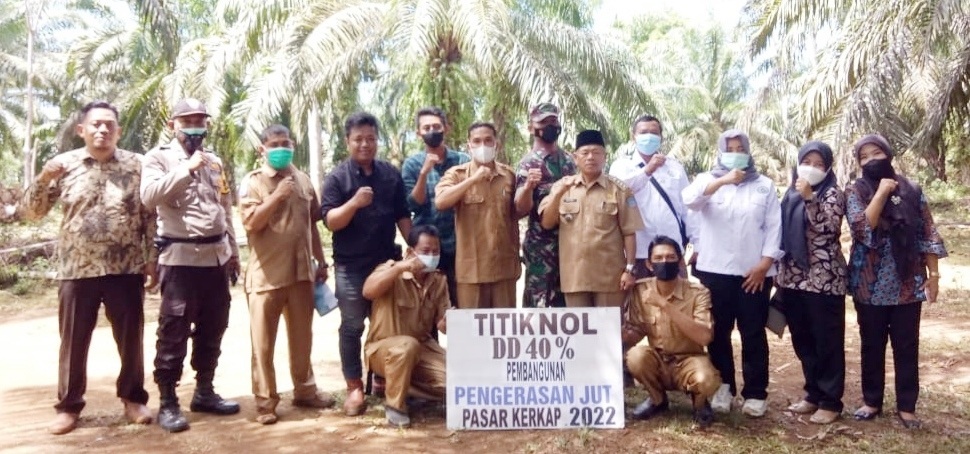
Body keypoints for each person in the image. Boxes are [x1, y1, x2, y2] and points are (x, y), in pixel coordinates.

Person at [22, 101, 155, 435]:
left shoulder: (137, 165)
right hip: (76, 269)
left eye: (109, 125)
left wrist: (152, 257)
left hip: (124, 268)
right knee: (73, 340)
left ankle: (133, 399)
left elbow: (150, 216)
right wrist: (43, 177)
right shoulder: (62, 166)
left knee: (131, 339)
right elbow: (32, 212)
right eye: (95, 124)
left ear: (118, 130)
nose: (102, 130)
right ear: (81, 130)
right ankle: (68, 406)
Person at [141, 98, 241, 433]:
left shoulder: (214, 162)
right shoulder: (158, 158)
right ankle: (168, 402)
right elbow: (149, 195)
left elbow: (224, 206)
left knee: (214, 325)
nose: (195, 126)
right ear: (173, 125)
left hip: (216, 257)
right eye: (187, 121)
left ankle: (205, 391)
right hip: (180, 259)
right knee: (174, 329)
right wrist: (187, 169)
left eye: (200, 121)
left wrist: (234, 251)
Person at [845, 134, 947, 429]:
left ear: (888, 154)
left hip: (908, 283)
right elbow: (863, 229)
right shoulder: (856, 190)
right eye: (863, 157)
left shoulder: (912, 189)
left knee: (906, 345)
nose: (871, 161)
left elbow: (927, 232)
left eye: (876, 153)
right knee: (871, 344)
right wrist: (881, 193)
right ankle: (871, 401)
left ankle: (907, 406)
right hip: (869, 284)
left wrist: (934, 275)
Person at [239, 125, 336, 425]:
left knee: (302, 338)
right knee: (263, 343)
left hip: (301, 274)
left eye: (286, 143)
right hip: (266, 276)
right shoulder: (253, 182)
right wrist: (278, 195)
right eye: (275, 144)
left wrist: (321, 261)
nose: (282, 148)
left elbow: (312, 225)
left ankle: (305, 391)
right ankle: (266, 402)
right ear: (263, 149)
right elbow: (251, 222)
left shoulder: (303, 179)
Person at [682, 129, 782, 418]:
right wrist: (723, 180)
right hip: (714, 272)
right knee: (718, 332)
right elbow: (690, 201)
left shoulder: (764, 185)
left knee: (752, 332)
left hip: (754, 273)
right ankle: (723, 387)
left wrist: (765, 264)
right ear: (720, 151)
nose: (735, 152)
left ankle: (755, 393)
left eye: (741, 147)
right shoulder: (706, 180)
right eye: (730, 148)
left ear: (749, 151)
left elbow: (774, 227)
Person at [321, 112, 412, 416]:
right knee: (352, 326)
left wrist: (416, 248)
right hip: (351, 267)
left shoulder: (390, 174)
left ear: (377, 140)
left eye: (370, 138)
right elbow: (331, 221)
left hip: (386, 262)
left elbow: (402, 216)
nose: (365, 144)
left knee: (386, 324)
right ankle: (355, 388)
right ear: (347, 141)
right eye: (358, 139)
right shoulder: (337, 178)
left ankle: (382, 381)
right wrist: (354, 203)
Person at [776, 141, 847, 425]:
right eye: (808, 162)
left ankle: (831, 401)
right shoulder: (789, 194)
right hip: (793, 277)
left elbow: (828, 227)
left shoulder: (833, 193)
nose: (812, 168)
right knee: (803, 339)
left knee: (827, 340)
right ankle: (813, 393)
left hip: (823, 279)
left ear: (828, 167)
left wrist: (810, 198)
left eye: (819, 164)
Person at [623, 235, 720, 428]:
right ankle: (657, 400)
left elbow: (704, 337)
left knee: (706, 379)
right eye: (658, 259)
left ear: (679, 261)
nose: (664, 262)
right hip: (659, 359)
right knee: (635, 356)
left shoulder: (698, 292)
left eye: (670, 257)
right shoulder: (641, 290)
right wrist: (613, 334)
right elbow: (636, 331)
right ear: (650, 265)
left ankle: (699, 404)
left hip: (690, 360)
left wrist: (664, 305)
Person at [539, 129, 641, 307]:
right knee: (580, 332)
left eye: (596, 152)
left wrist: (630, 269)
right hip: (574, 278)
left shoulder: (619, 190)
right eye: (585, 153)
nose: (590, 157)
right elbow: (547, 223)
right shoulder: (561, 187)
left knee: (610, 331)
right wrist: (559, 194)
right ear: (575, 157)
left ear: (605, 157)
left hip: (610, 278)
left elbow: (629, 232)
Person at [360, 225, 448, 428]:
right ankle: (395, 406)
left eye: (436, 252)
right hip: (383, 349)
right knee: (407, 346)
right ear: (410, 252)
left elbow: (443, 326)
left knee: (457, 382)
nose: (431, 256)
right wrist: (400, 267)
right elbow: (368, 291)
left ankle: (404, 385)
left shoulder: (439, 280)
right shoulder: (391, 270)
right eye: (425, 251)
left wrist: (446, 323)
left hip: (422, 348)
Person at [435, 122, 520, 308]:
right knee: (472, 331)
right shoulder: (456, 174)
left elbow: (519, 212)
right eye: (477, 141)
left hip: (504, 268)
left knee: (503, 330)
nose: (483, 145)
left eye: (488, 140)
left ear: (496, 144)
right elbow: (441, 202)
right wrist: (473, 180)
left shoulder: (509, 175)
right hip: (471, 270)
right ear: (469, 146)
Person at [609, 115, 696, 278]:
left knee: (678, 299)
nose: (649, 136)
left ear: (661, 137)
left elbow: (687, 209)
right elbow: (619, 192)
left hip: (671, 250)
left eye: (654, 132)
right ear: (633, 136)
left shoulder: (675, 167)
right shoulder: (621, 165)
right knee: (638, 301)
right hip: (637, 251)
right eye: (643, 132)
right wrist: (647, 170)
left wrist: (695, 242)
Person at [401, 107, 470, 307]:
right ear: (418, 133)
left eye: (437, 126)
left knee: (460, 305)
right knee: (426, 304)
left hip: (459, 245)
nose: (432, 131)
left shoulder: (462, 161)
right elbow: (413, 204)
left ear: (446, 128)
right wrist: (423, 174)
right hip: (428, 247)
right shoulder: (412, 164)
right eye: (427, 127)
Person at [514, 102, 577, 308]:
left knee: (569, 305)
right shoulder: (528, 164)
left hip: (570, 245)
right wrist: (528, 188)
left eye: (553, 121)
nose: (550, 126)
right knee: (537, 309)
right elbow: (519, 210)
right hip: (541, 250)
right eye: (543, 122)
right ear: (531, 128)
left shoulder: (571, 162)